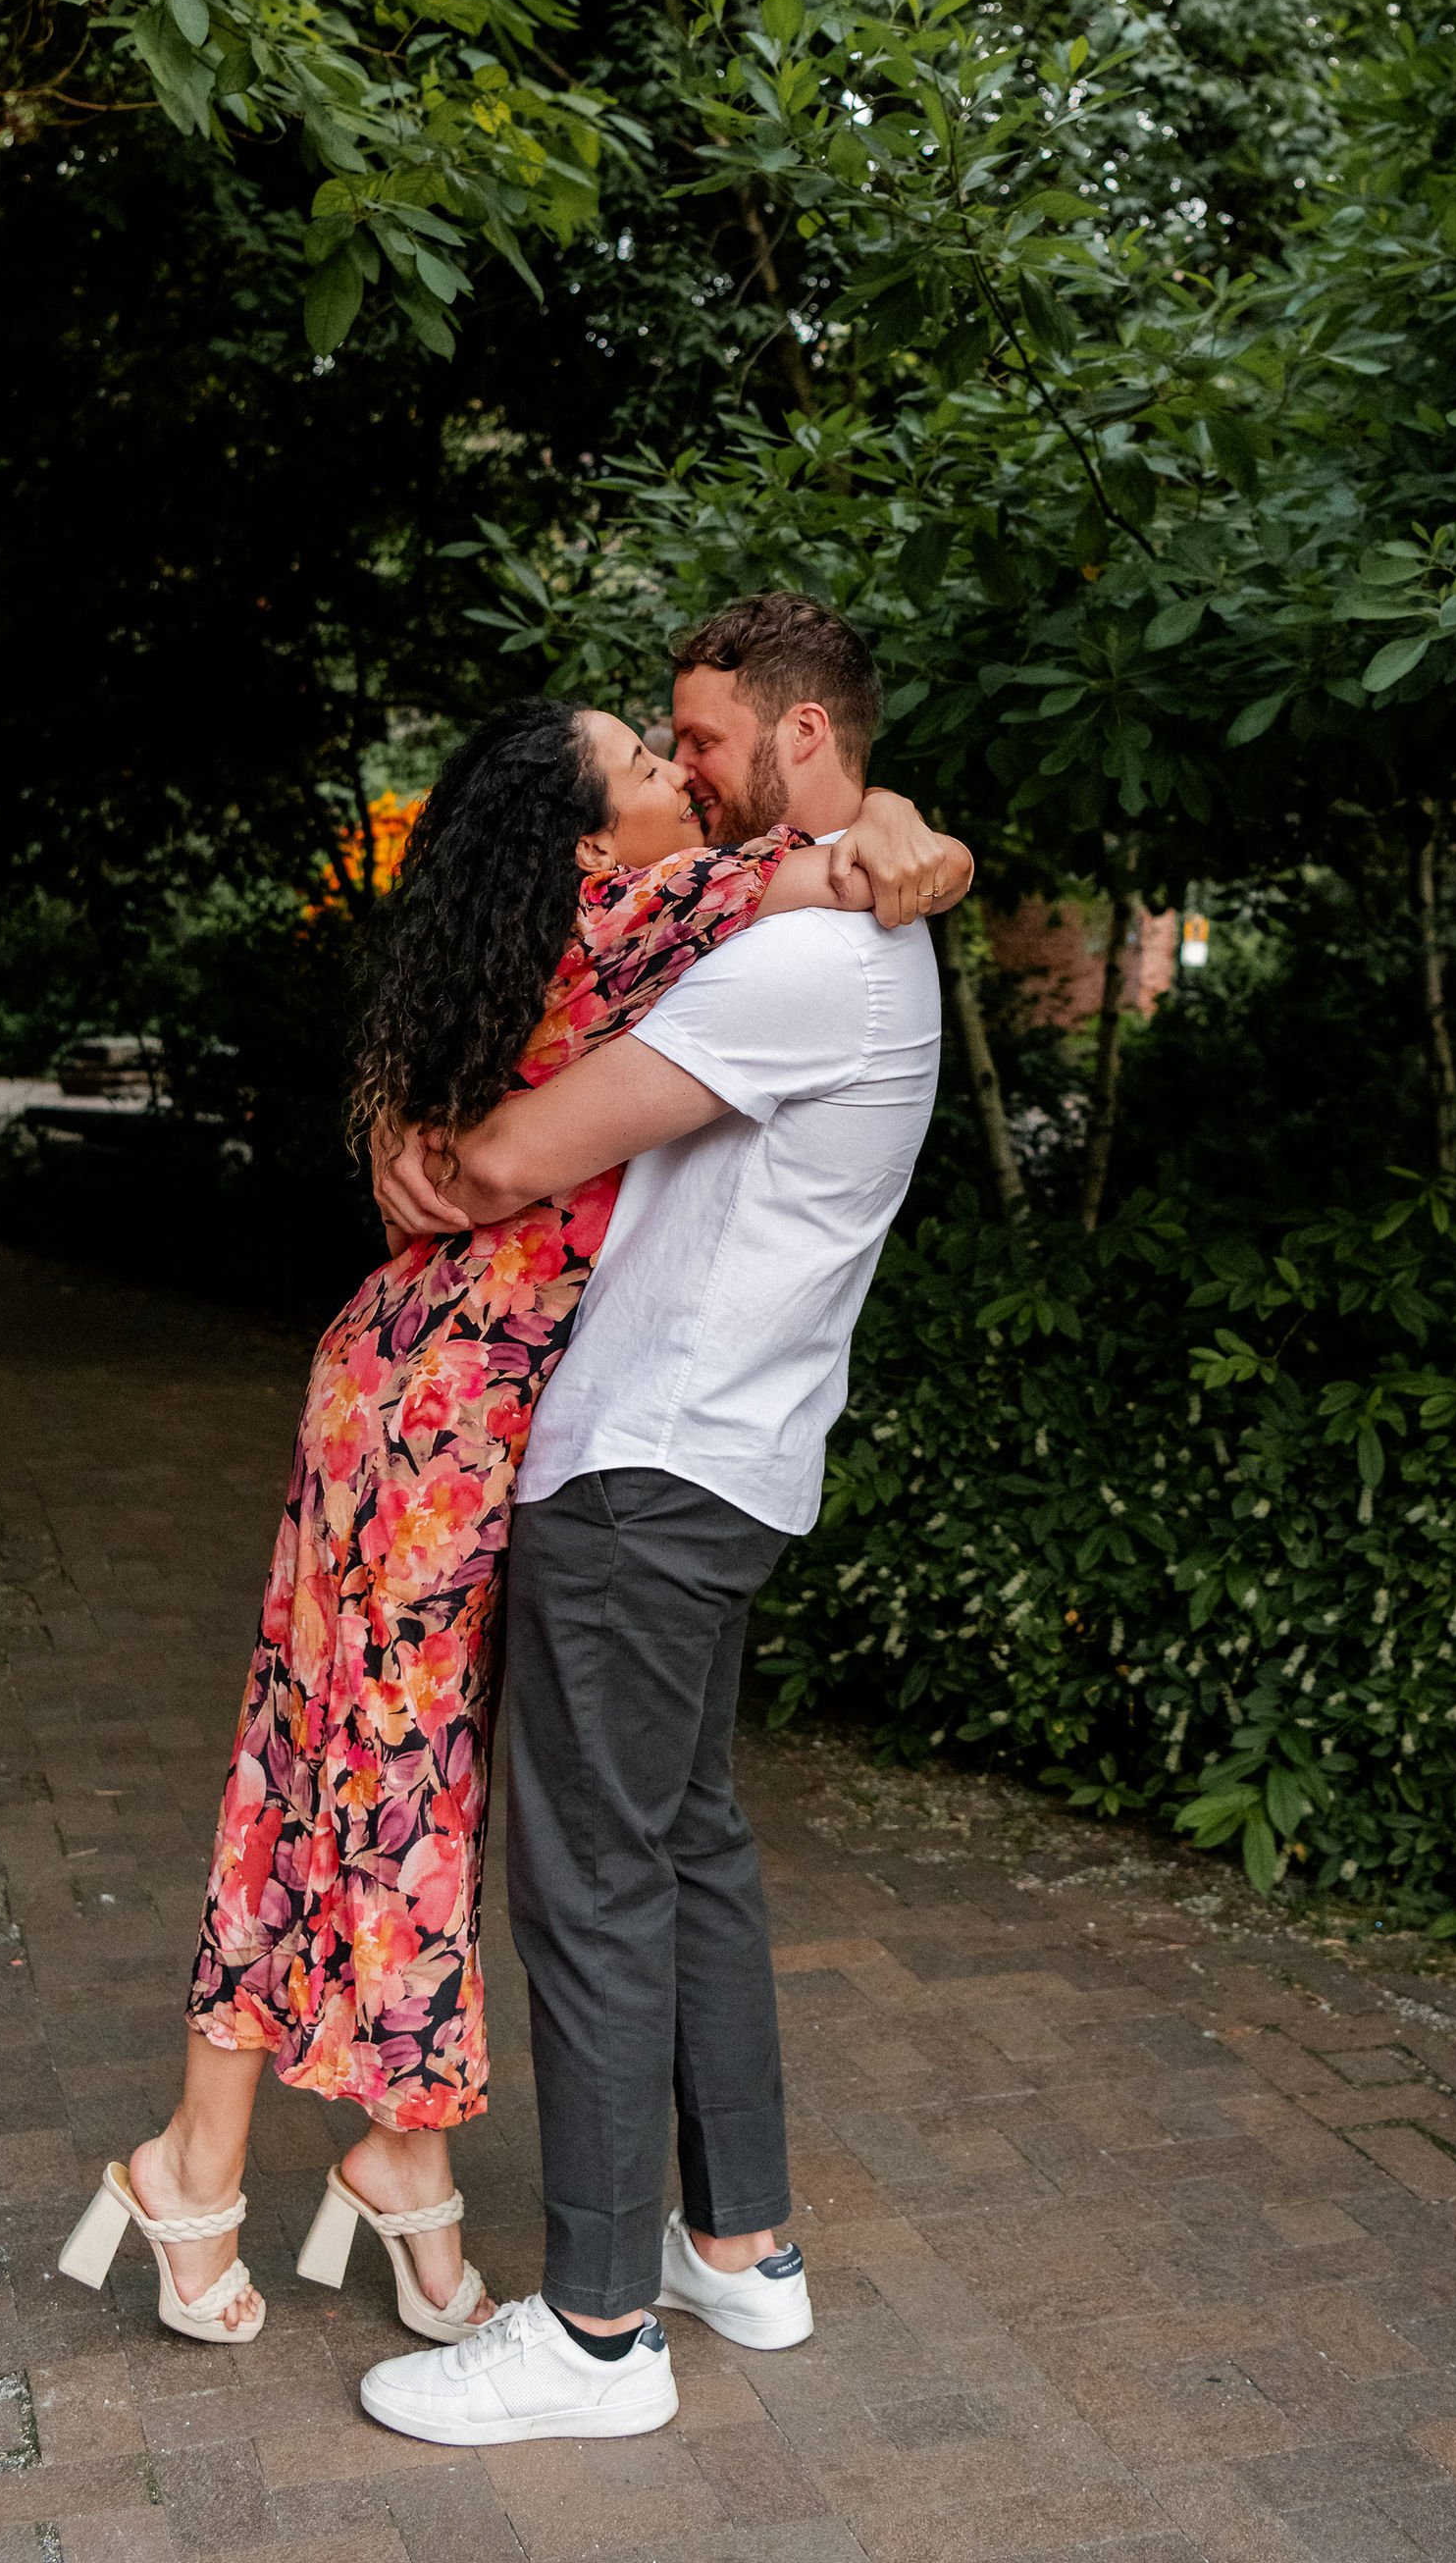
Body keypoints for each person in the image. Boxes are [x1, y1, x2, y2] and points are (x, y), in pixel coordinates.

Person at [57, 683, 968, 2349]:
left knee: (316, 1764)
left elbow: (857, 845)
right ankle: (241, 2161)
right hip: (452, 1426)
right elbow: (848, 866)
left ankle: (326, 2159)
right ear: (583, 840)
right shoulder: (633, 914)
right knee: (399, 1795)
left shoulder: (505, 952)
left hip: (400, 1392)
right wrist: (907, 834)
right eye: (643, 766)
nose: (677, 783)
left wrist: (897, 821)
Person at [362, 592, 948, 2448]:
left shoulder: (802, 958)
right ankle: (739, 2245)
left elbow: (528, 1156)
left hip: (637, 1475)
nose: (682, 775)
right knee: (685, 1847)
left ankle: (600, 2328)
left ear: (796, 735)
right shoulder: (861, 930)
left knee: (595, 1878)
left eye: (698, 738)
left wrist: (404, 1154)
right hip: (730, 1465)